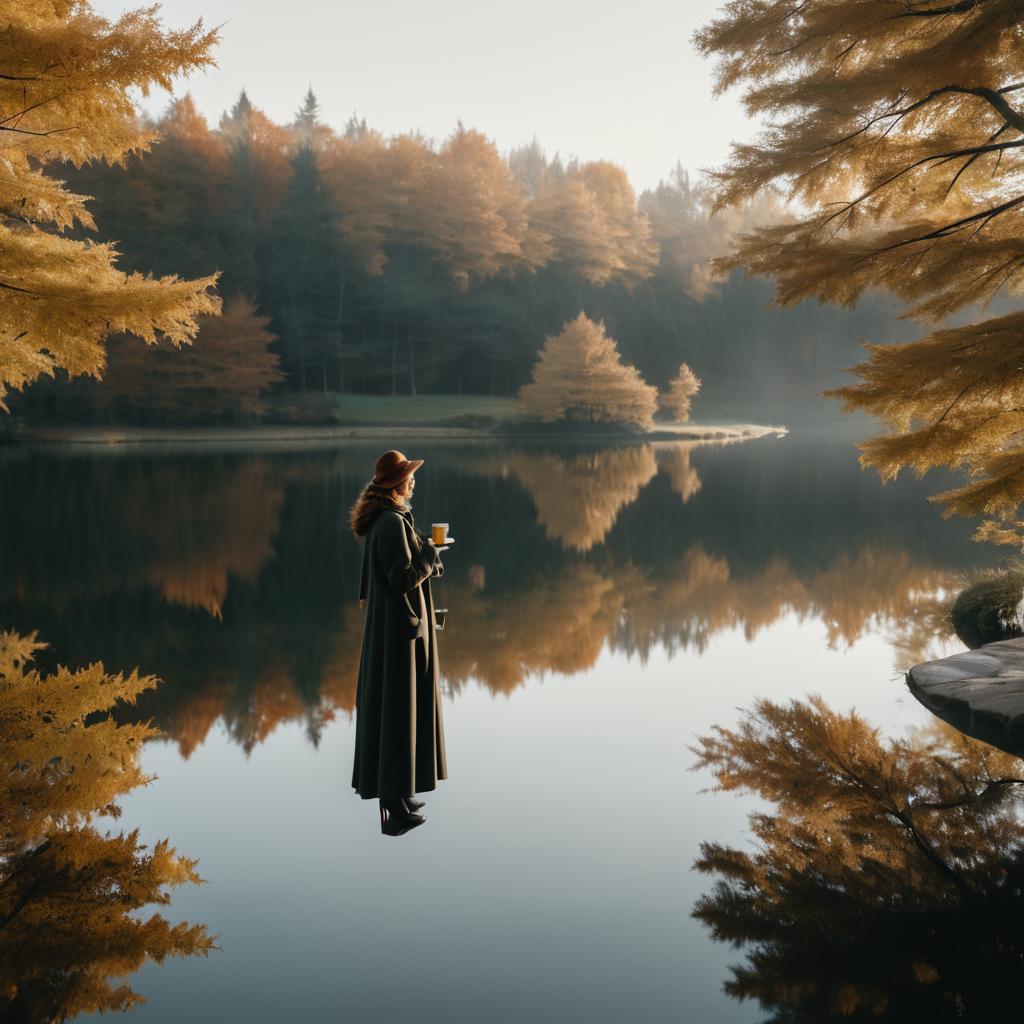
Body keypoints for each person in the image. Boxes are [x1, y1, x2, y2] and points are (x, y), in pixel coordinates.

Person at [348, 449, 448, 836]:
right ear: (396, 484)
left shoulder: (392, 520)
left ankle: (401, 796)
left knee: (400, 712)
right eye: (408, 476)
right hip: (397, 638)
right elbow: (401, 578)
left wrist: (426, 554)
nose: (412, 481)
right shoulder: (389, 524)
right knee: (396, 711)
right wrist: (430, 554)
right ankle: (393, 809)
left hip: (397, 632)